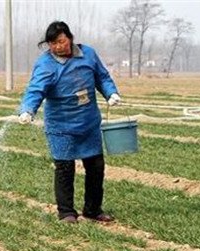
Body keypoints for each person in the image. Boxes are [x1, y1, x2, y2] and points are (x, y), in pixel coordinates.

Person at [14, 21, 121, 224]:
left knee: (96, 167)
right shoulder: (45, 64)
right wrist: (28, 110)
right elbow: (35, 89)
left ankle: (92, 210)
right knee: (64, 168)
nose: (57, 47)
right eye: (52, 44)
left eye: (61, 41)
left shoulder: (88, 54)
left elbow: (102, 77)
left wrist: (111, 93)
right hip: (61, 126)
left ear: (70, 38)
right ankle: (66, 213)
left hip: (88, 122)